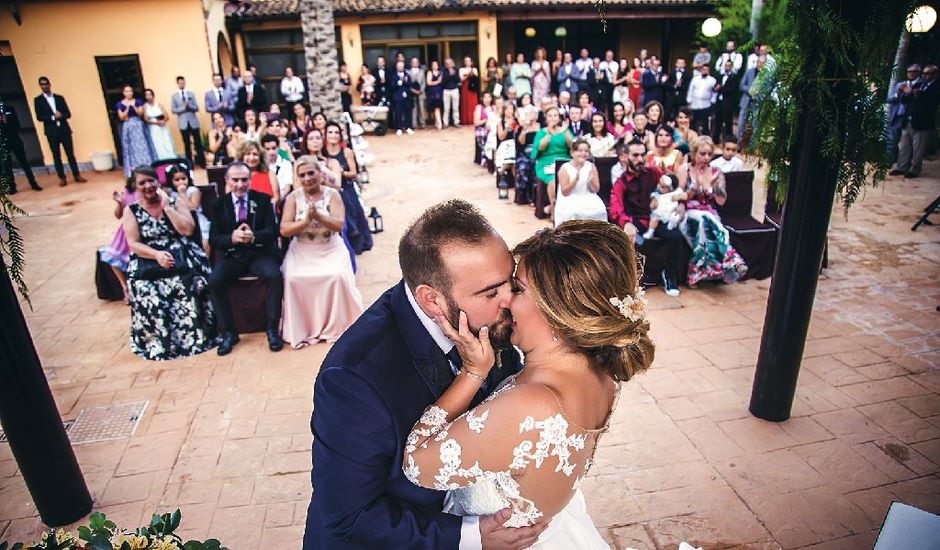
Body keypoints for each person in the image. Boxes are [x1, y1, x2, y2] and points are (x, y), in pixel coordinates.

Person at [303, 199, 542, 550]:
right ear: (432, 301)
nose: (510, 301)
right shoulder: (354, 379)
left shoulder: (486, 315)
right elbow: (348, 515)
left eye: (509, 283)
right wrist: (470, 537)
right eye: (492, 292)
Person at [403, 218, 653, 550]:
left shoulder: (532, 406)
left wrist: (472, 374)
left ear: (557, 309)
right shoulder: (602, 371)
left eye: (517, 288)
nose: (504, 299)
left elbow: (416, 465)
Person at [123, 166, 217, 360]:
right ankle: (161, 341)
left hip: (179, 253)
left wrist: (167, 208)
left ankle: (195, 337)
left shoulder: (174, 202)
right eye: (142, 183)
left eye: (151, 181)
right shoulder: (131, 210)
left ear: (158, 182)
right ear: (135, 186)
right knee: (145, 290)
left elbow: (188, 230)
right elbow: (133, 243)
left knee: (190, 281)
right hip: (149, 257)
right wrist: (156, 255)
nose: (148, 186)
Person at [280, 156, 363, 348]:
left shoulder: (332, 195)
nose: (307, 178)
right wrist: (305, 221)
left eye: (311, 173)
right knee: (292, 278)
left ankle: (337, 326)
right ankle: (304, 328)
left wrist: (318, 215)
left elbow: (338, 225)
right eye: (302, 175)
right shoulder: (293, 197)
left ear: (320, 173)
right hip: (302, 250)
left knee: (337, 276)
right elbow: (284, 229)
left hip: (330, 247)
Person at [208, 162, 284, 355]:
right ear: (227, 181)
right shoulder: (219, 204)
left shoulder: (264, 200)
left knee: (274, 276)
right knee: (215, 281)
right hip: (233, 256)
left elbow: (272, 231)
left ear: (250, 180)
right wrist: (231, 238)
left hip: (259, 253)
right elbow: (214, 238)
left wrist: (255, 237)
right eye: (235, 180)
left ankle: (272, 330)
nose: (240, 184)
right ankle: (228, 333)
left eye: (244, 180)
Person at [610, 140, 683, 296]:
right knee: (632, 239)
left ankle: (670, 276)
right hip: (636, 221)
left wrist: (681, 203)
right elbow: (615, 209)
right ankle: (638, 279)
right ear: (625, 157)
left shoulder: (654, 172)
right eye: (635, 155)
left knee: (676, 235)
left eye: (643, 154)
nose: (640, 159)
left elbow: (672, 188)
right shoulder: (621, 182)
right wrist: (627, 223)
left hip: (657, 217)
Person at [676, 136, 748, 286]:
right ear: (694, 153)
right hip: (688, 211)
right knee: (704, 220)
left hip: (709, 213)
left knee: (705, 224)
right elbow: (678, 196)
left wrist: (713, 186)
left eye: (709, 154)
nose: (706, 157)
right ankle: (732, 259)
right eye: (702, 153)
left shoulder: (717, 172)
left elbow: (721, 201)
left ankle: (695, 274)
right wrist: (694, 188)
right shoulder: (685, 169)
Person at [324, 121, 373, 255]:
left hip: (346, 186)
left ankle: (356, 238)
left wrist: (341, 172)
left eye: (336, 132)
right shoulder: (323, 153)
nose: (333, 135)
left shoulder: (346, 151)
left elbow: (354, 173)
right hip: (328, 188)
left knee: (347, 202)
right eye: (330, 132)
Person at [34, 76, 86, 186]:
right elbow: (39, 117)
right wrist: (53, 117)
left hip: (64, 130)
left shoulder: (59, 98)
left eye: (46, 84)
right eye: (42, 84)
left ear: (50, 84)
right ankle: (62, 178)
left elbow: (68, 114)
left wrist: (61, 115)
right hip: (51, 132)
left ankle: (77, 175)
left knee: (70, 154)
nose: (45, 86)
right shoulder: (38, 100)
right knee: (56, 155)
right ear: (40, 86)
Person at [891, 64, 939, 179]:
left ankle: (914, 170)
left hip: (923, 122)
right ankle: (901, 167)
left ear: (934, 75)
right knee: (904, 145)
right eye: (923, 73)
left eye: (928, 74)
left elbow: (930, 100)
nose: (924, 76)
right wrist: (905, 92)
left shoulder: (935, 87)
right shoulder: (920, 84)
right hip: (908, 119)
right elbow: (905, 99)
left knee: (918, 148)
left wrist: (914, 92)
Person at [99, 175, 138, 303]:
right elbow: (118, 215)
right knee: (112, 256)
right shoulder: (128, 193)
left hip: (142, 229)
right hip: (126, 230)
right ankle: (124, 287)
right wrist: (120, 203)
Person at [554, 139, 608, 226]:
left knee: (600, 209)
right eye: (580, 151)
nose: (583, 153)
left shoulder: (591, 166)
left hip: (588, 196)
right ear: (572, 153)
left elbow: (596, 189)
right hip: (570, 198)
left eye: (586, 151)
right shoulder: (565, 168)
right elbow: (565, 192)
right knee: (573, 212)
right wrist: (575, 180)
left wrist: (591, 181)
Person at [531, 106, 572, 219]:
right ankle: (554, 210)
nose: (553, 118)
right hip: (546, 162)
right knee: (553, 180)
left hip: (564, 160)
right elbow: (540, 147)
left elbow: (572, 146)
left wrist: (565, 132)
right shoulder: (541, 132)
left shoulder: (565, 130)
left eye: (555, 115)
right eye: (550, 116)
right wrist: (549, 132)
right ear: (546, 118)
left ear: (559, 118)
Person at [0, 100, 42, 192]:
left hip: (15, 140)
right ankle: (12, 187)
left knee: (24, 162)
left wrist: (7, 122)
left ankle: (33, 183)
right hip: (2, 142)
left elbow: (17, 125)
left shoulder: (9, 109)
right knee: (6, 165)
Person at [167, 163, 209, 250]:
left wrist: (182, 194)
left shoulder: (193, 191)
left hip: (197, 220)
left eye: (183, 179)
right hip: (180, 220)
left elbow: (193, 207)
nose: (181, 182)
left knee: (205, 241)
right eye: (177, 180)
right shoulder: (170, 193)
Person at [116, 85, 155, 178]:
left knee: (142, 145)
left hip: (138, 125)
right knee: (130, 147)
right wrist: (127, 108)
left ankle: (146, 165)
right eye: (127, 91)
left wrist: (134, 106)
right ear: (123, 93)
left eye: (130, 91)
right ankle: (133, 168)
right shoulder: (120, 104)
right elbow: (121, 117)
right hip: (128, 125)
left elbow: (141, 113)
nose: (129, 93)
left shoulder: (137, 101)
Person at [886, 65, 920, 166]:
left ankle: (906, 163)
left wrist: (911, 93)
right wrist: (898, 93)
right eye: (909, 71)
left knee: (908, 143)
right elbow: (889, 99)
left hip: (910, 118)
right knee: (891, 140)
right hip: (897, 116)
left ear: (918, 73)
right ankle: (889, 161)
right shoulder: (900, 85)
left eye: (914, 71)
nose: (911, 73)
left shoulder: (920, 85)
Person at [642, 173, 687, 241]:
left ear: (671, 189)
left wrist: (678, 196)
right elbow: (652, 205)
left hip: (671, 211)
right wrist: (654, 203)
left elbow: (685, 196)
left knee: (677, 216)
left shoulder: (675, 192)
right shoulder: (657, 194)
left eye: (663, 187)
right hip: (660, 212)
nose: (659, 187)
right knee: (654, 219)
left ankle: (673, 222)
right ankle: (651, 231)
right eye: (659, 184)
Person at [171, 76, 204, 167]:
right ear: (177, 84)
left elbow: (196, 107)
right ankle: (189, 164)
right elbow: (173, 110)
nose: (182, 84)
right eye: (180, 83)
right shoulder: (174, 96)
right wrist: (183, 108)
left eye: (183, 82)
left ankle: (202, 162)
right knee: (187, 144)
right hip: (183, 123)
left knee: (198, 143)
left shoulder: (191, 94)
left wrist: (189, 106)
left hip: (193, 121)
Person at [235, 139, 280, 205]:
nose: (252, 158)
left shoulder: (270, 174)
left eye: (255, 154)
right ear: (242, 157)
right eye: (248, 154)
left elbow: (277, 198)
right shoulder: (234, 176)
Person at [737, 55, 765, 142]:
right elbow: (741, 85)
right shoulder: (749, 72)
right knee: (741, 123)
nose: (760, 64)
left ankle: (752, 146)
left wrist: (759, 92)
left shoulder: (766, 75)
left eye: (762, 63)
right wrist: (750, 90)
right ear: (756, 62)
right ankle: (738, 142)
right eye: (759, 62)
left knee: (755, 125)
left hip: (757, 103)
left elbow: (768, 89)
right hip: (746, 101)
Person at [712, 59, 740, 142]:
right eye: (725, 66)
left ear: (731, 67)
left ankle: (728, 140)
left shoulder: (734, 77)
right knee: (717, 121)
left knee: (728, 122)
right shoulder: (720, 76)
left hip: (728, 102)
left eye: (728, 66)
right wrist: (716, 89)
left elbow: (731, 89)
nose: (727, 67)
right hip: (719, 102)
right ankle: (716, 139)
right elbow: (715, 87)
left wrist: (720, 89)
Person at [143, 88, 175, 160]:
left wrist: (163, 121)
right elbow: (146, 119)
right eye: (147, 95)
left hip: (162, 127)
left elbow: (166, 116)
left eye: (150, 94)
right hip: (153, 128)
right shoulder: (145, 106)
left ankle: (170, 158)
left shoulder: (159, 104)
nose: (148, 96)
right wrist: (156, 122)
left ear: (153, 95)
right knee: (156, 143)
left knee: (166, 142)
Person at [686, 64, 717, 136]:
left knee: (705, 125)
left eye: (707, 70)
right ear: (701, 70)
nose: (705, 71)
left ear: (709, 71)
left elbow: (714, 92)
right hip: (694, 105)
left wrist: (713, 102)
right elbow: (690, 90)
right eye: (703, 70)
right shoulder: (695, 79)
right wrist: (689, 101)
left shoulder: (712, 80)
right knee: (693, 124)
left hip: (706, 105)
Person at [262, 133, 294, 198]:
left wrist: (278, 199)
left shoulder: (286, 164)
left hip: (283, 197)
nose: (271, 152)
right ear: (263, 149)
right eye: (267, 149)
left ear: (278, 147)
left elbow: (287, 185)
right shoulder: (260, 165)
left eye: (273, 148)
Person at [390, 60, 415, 136]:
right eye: (399, 66)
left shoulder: (407, 75)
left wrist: (406, 81)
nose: (400, 68)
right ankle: (399, 128)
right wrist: (399, 82)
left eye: (401, 66)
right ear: (397, 67)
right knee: (398, 113)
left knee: (408, 113)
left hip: (407, 97)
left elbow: (410, 85)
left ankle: (408, 127)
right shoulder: (393, 75)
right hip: (398, 97)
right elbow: (392, 85)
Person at [474, 91, 495, 166]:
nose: (487, 99)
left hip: (492, 127)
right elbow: (476, 122)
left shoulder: (494, 107)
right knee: (483, 134)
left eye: (489, 97)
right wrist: (485, 121)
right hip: (482, 128)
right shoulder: (479, 107)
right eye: (485, 97)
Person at [460, 56, 480, 126]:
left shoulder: (474, 69)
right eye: (466, 61)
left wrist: (472, 74)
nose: (468, 62)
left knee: (473, 103)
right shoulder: (462, 69)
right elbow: (461, 79)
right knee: (465, 103)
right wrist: (467, 75)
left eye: (469, 61)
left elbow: (476, 78)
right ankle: (466, 120)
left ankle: (473, 119)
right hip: (465, 88)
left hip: (472, 88)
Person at [442, 58, 461, 128]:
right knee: (446, 108)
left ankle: (456, 122)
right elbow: (444, 81)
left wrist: (453, 74)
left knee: (455, 107)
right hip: (446, 90)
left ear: (453, 63)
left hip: (454, 89)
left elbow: (458, 80)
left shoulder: (456, 69)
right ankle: (445, 123)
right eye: (447, 63)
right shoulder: (443, 70)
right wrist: (449, 74)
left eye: (450, 63)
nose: (448, 64)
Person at [408, 57, 427, 129]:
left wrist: (421, 90)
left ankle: (422, 122)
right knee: (414, 108)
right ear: (411, 63)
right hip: (412, 93)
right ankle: (414, 123)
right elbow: (408, 83)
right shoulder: (408, 72)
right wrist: (413, 90)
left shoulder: (422, 71)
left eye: (416, 62)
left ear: (418, 63)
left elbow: (423, 82)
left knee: (422, 108)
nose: (415, 63)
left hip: (421, 93)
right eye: (413, 62)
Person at [426, 61, 445, 130]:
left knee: (439, 107)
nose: (435, 66)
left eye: (436, 64)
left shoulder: (440, 73)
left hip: (440, 91)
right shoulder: (430, 73)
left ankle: (437, 122)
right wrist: (437, 82)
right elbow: (428, 83)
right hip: (433, 91)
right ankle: (439, 123)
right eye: (433, 65)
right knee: (436, 107)